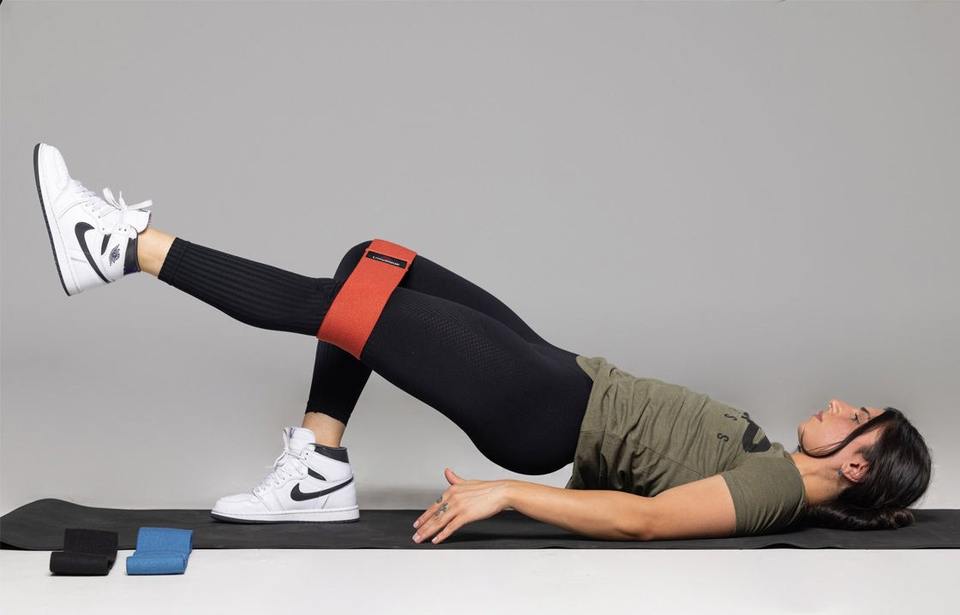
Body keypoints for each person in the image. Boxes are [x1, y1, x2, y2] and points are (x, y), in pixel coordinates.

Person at [32, 142, 932, 544]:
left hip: (540, 411)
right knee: (373, 261)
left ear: (857, 462)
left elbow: (648, 519)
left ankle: (121, 247)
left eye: (856, 414)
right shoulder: (775, 462)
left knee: (335, 306)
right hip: (560, 373)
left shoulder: (778, 488)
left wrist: (508, 493)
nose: (840, 404)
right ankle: (317, 472)